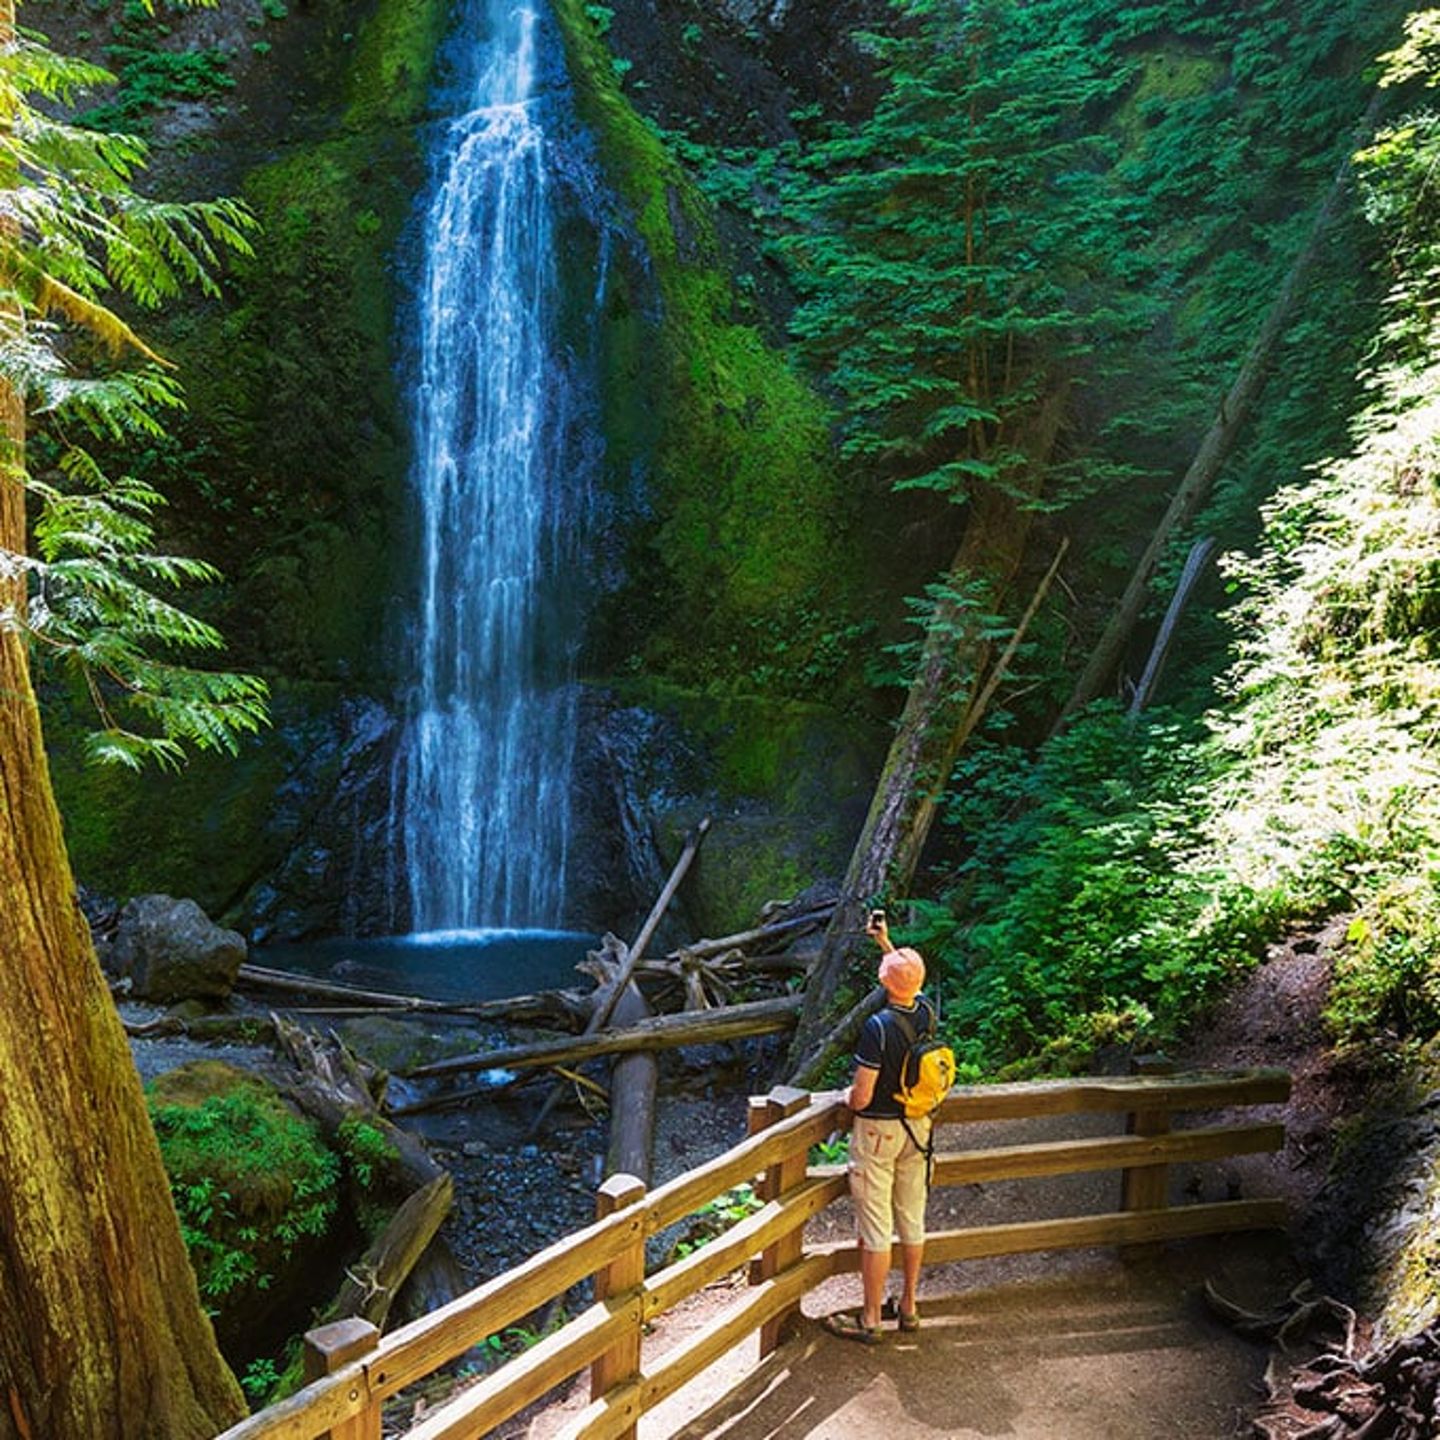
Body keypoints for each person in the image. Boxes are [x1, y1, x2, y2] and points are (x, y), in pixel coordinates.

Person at [822, 911, 935, 1344]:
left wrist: (842, 1099)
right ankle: (908, 1306)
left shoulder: (877, 1028)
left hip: (878, 1134)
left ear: (886, 984)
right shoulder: (925, 1011)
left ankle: (870, 1317)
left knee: (875, 1226)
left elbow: (863, 1097)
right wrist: (887, 945)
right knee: (911, 1219)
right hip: (917, 1128)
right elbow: (908, 982)